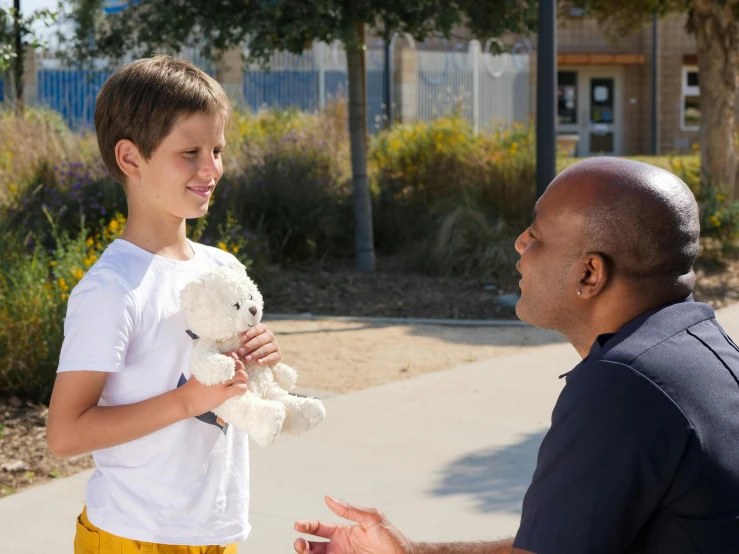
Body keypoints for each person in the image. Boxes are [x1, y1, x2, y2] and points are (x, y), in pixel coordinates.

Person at [292, 157, 739, 554]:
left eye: (537, 235)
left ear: (589, 273)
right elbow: (557, 540)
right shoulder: (702, 351)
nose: (519, 244)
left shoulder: (623, 387)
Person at [46, 55, 283, 553]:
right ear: (131, 160)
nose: (211, 168)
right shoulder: (111, 289)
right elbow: (65, 434)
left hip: (219, 533)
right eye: (190, 152)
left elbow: (224, 390)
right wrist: (187, 401)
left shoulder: (224, 268)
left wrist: (257, 357)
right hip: (131, 538)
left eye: (217, 149)